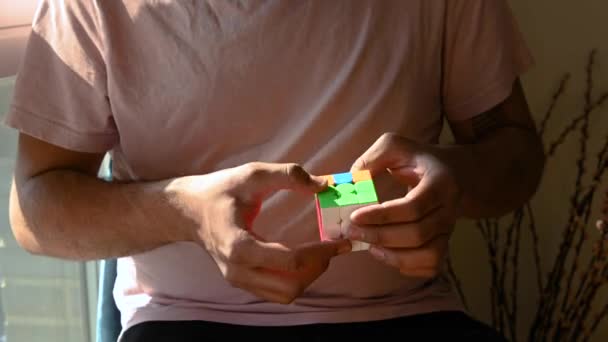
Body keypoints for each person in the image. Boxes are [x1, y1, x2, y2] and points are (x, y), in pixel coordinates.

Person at [4, 1, 545, 341]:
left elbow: (517, 153)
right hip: (184, 321)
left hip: (405, 314)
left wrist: (454, 179)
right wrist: (184, 213)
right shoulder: (92, 7)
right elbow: (35, 209)